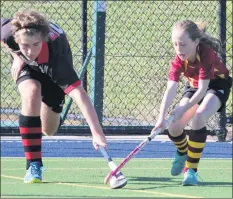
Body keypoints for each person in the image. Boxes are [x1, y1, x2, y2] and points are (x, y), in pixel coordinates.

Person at [1, 10, 126, 186]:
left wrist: (97, 133)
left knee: (48, 130)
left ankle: (49, 112)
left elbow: (80, 96)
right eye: (24, 45)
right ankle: (34, 165)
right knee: (32, 91)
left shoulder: (58, 61)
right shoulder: (9, 33)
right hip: (28, 70)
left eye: (35, 44)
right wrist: (16, 56)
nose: (30, 51)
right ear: (17, 39)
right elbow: (8, 41)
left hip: (52, 73)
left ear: (43, 39)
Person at [151, 19, 232, 186]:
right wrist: (161, 118)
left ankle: (191, 170)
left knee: (199, 117)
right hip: (194, 86)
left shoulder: (206, 53)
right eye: (175, 44)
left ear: (195, 42)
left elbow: (204, 90)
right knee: (174, 126)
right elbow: (171, 89)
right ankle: (182, 151)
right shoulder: (178, 60)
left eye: (183, 44)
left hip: (217, 85)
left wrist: (183, 108)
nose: (179, 49)